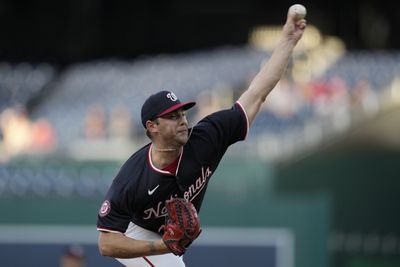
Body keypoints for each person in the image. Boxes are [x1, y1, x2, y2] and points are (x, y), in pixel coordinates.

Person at [97, 7, 306, 267]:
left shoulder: (206, 137)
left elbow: (256, 94)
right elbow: (106, 244)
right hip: (133, 232)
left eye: (183, 113)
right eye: (173, 116)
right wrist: (161, 246)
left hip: (164, 238)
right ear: (152, 126)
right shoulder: (132, 177)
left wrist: (287, 41)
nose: (183, 119)